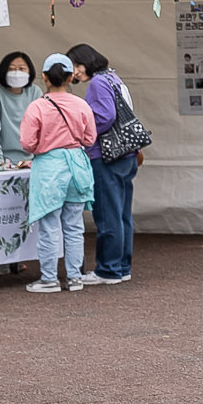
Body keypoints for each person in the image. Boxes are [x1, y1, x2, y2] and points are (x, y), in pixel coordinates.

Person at [18, 54, 99, 294]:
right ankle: (75, 277)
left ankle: (49, 278)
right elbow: (90, 139)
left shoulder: (38, 106)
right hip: (77, 165)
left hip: (49, 168)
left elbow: (27, 143)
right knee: (74, 226)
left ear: (44, 77)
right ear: (70, 77)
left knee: (49, 226)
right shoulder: (82, 105)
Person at [67, 44, 138, 285]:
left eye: (75, 65)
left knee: (107, 214)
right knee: (122, 214)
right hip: (127, 154)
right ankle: (121, 266)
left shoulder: (98, 83)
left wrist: (83, 134)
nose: (74, 72)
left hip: (107, 156)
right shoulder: (113, 77)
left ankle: (108, 270)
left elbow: (104, 117)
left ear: (85, 61)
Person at [0, 52, 40, 165]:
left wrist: (39, 160)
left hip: (31, 160)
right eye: (11, 69)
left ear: (30, 72)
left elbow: (42, 128)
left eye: (21, 69)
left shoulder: (35, 92)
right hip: (3, 159)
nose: (17, 73)